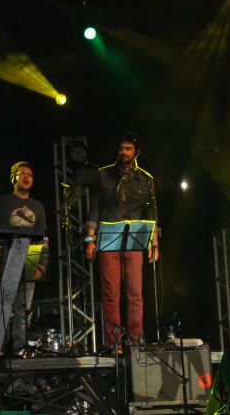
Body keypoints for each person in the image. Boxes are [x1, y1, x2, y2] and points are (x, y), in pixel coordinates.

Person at [85, 132, 159, 352]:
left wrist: (154, 243)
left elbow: (152, 214)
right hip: (109, 240)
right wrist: (90, 240)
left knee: (135, 294)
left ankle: (136, 342)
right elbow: (95, 209)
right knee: (110, 294)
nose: (123, 152)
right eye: (121, 148)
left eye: (128, 149)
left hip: (135, 241)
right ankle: (113, 343)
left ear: (136, 152)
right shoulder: (104, 175)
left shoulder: (146, 179)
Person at [0, 160, 48, 354]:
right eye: (22, 173)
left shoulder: (38, 206)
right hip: (6, 258)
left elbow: (43, 239)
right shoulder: (1, 202)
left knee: (22, 309)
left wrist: (41, 265)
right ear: (13, 177)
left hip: (29, 258)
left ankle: (19, 351)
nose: (26, 177)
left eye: (30, 174)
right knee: (3, 307)